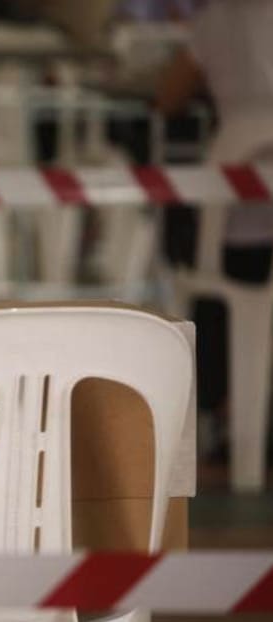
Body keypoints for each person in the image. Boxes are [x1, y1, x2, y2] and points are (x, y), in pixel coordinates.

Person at [156, 0, 273, 453]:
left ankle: (225, 411)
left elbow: (167, 100)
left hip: (234, 220)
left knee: (210, 277)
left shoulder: (212, 24)